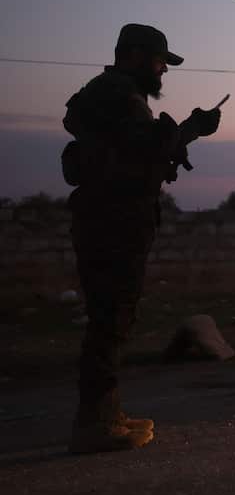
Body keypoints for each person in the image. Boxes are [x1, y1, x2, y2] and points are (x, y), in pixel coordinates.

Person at [62, 24, 221, 453]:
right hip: (115, 222)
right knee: (111, 318)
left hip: (108, 219)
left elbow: (139, 151)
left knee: (111, 317)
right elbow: (146, 154)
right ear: (134, 56)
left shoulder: (106, 94)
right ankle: (95, 422)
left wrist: (184, 132)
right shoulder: (120, 96)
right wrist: (189, 130)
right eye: (158, 62)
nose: (162, 72)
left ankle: (106, 414)